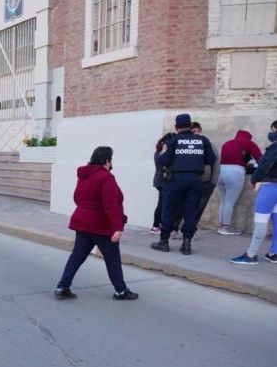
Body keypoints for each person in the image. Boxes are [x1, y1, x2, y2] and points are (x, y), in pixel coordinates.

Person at [55, 146, 138, 300]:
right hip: (102, 226)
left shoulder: (83, 175)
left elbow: (77, 198)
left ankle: (62, 286)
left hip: (82, 222)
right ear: (107, 160)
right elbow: (111, 205)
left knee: (77, 256)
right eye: (111, 159)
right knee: (112, 259)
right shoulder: (106, 178)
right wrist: (117, 227)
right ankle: (120, 290)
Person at [151, 113, 217, 255]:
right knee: (190, 212)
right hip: (195, 180)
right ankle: (186, 243)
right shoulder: (202, 140)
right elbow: (210, 159)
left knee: (169, 210)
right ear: (191, 125)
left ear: (177, 127)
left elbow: (163, 161)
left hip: (175, 180)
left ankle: (164, 242)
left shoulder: (173, 141)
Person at [229, 120, 277, 264]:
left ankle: (251, 255)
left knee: (261, 221)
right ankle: (274, 253)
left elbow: (263, 166)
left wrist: (254, 179)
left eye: (273, 129)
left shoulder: (275, 148)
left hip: (269, 187)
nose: (271, 133)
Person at [216, 129, 262, 235]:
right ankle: (226, 227)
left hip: (221, 171)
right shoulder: (248, 143)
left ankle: (221, 226)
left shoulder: (227, 143)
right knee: (230, 202)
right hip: (235, 172)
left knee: (223, 200)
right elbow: (260, 159)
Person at [150, 133, 176, 235]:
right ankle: (156, 226)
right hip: (162, 181)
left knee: (162, 203)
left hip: (159, 180)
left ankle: (157, 226)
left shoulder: (159, 151)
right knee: (162, 204)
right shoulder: (163, 152)